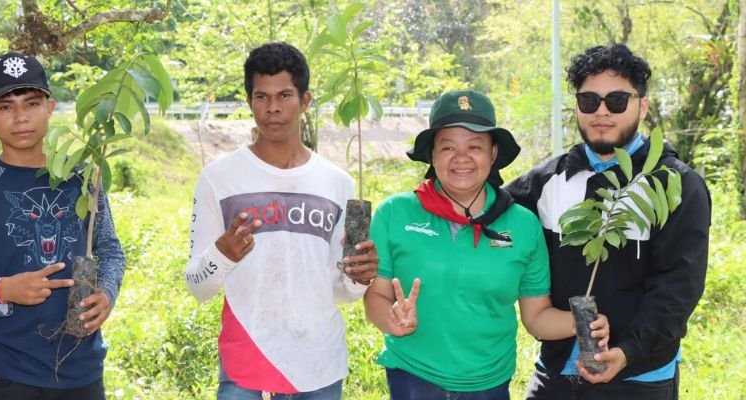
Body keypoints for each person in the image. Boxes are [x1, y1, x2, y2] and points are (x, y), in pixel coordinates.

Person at [363, 90, 608, 400]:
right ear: (432, 154)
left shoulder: (523, 225)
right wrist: (391, 319)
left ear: (493, 154)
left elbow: (536, 317)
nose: (461, 157)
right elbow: (377, 296)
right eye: (448, 146)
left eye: (475, 146)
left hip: (489, 383)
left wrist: (581, 322)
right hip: (412, 377)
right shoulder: (395, 213)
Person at [506, 43, 711, 399]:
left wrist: (628, 352)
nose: (601, 111)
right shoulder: (546, 182)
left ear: (642, 106)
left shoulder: (675, 185)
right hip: (555, 373)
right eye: (589, 101)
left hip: (638, 378)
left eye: (617, 100)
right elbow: (482, 216)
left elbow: (680, 287)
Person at [184, 42, 378, 400]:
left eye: (285, 95)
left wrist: (360, 278)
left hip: (319, 366)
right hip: (246, 365)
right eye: (262, 96)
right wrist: (222, 254)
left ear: (305, 101)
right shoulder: (218, 178)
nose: (273, 108)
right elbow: (198, 286)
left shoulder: (338, 183)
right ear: (249, 101)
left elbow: (341, 291)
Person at [0, 52, 125, 399]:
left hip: (83, 368)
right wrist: (3, 291)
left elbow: (109, 249)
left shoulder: (83, 178)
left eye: (31, 103)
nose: (21, 117)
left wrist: (107, 292)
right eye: (5, 106)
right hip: (7, 372)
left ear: (50, 107)